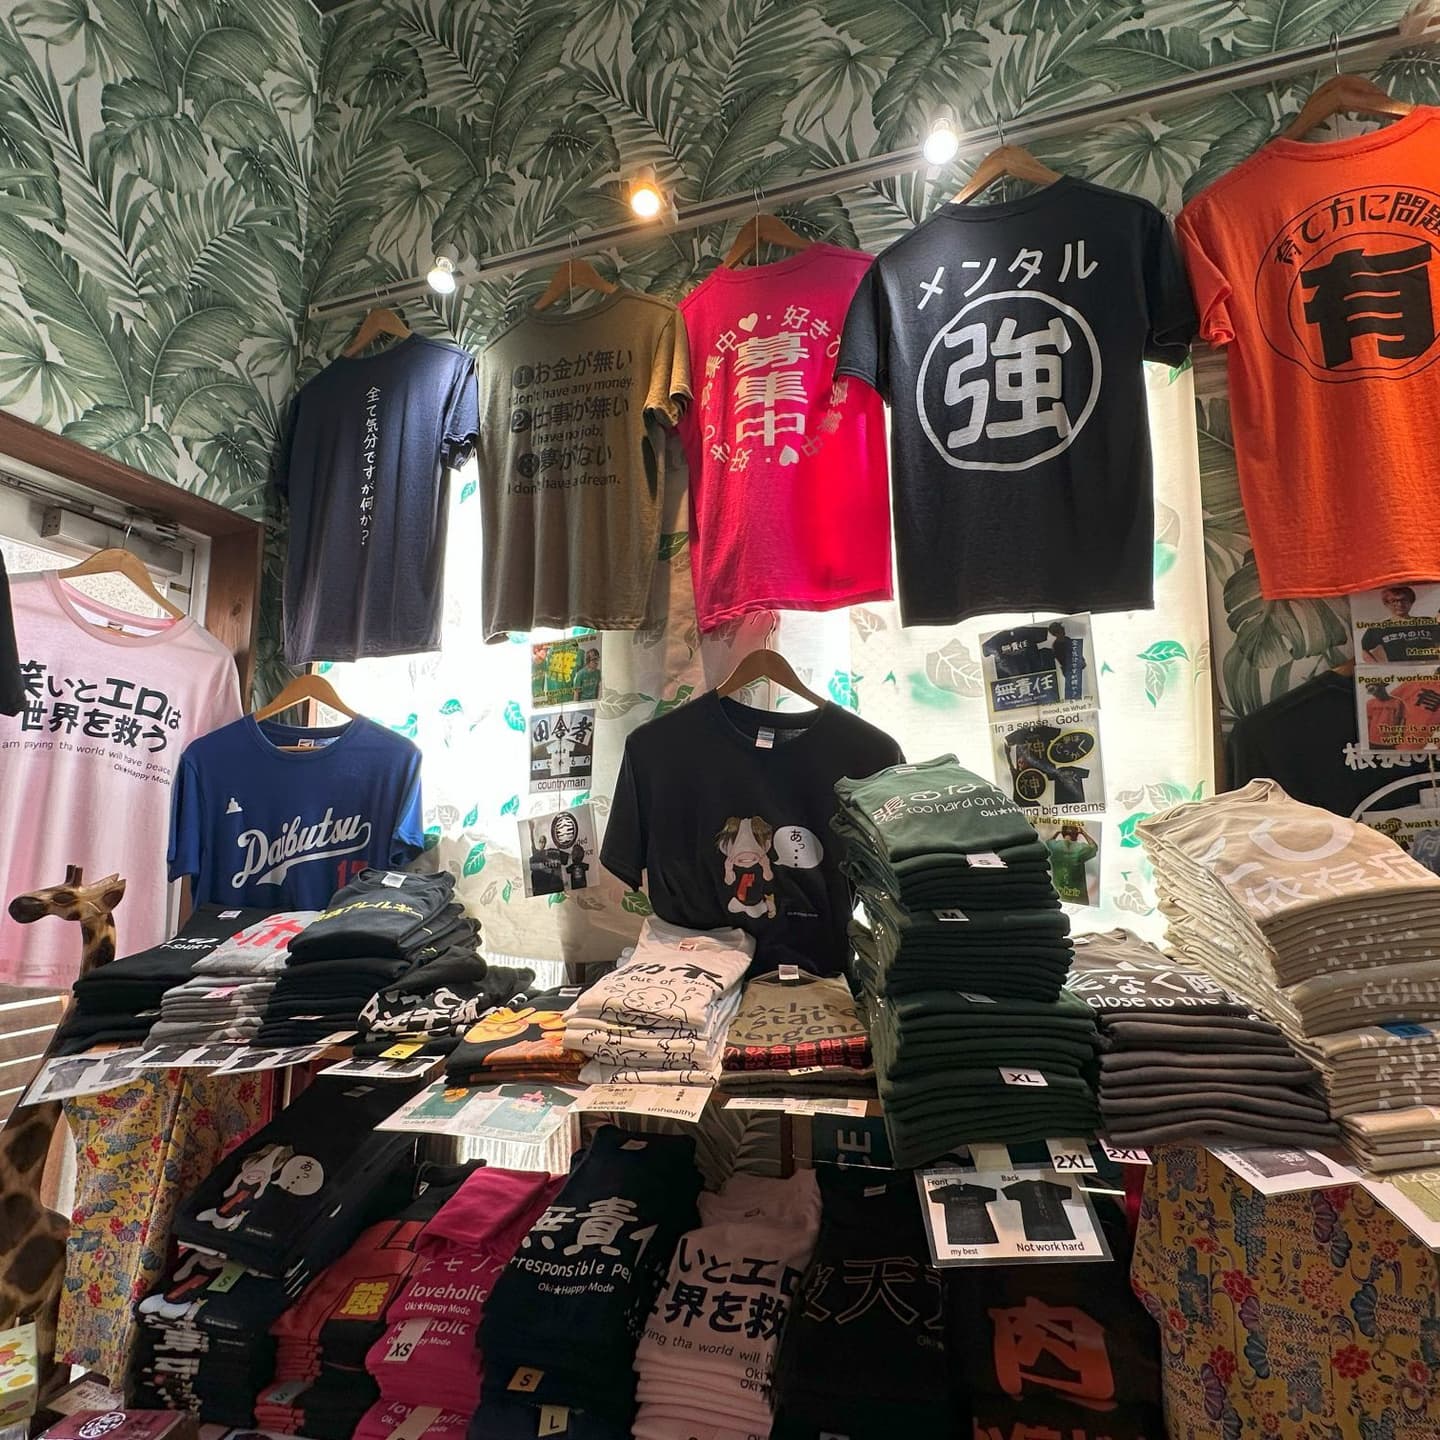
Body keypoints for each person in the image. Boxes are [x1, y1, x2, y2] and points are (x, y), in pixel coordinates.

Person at [1361, 586, 1440, 662]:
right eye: (1394, 601)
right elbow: (1365, 651)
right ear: (1387, 604)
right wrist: (1379, 669)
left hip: (1428, 670)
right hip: (1399, 671)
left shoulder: (1427, 622)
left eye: (1404, 600)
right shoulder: (1379, 628)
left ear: (1411, 602)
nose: (1400, 604)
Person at [1044, 823, 1097, 904]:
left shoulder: (1054, 846)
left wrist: (1057, 833)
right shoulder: (1080, 849)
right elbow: (1094, 847)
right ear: (1076, 835)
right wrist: (1084, 833)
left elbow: (1046, 844)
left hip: (1059, 896)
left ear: (1063, 833)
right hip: (1078, 897)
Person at [1046, 621, 1088, 701]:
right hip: (1070, 670)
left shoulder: (1067, 639)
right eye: (1061, 629)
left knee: (1083, 690)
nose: (1063, 629)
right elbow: (1063, 660)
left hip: (1077, 667)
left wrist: (1082, 660)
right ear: (1057, 633)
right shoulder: (1056, 646)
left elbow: (1076, 650)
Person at [1365, 682, 1407, 749]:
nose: (1374, 694)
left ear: (1382, 688)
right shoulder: (1370, 703)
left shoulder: (1398, 702)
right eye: (1371, 692)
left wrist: (1400, 735)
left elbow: (1403, 720)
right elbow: (1368, 720)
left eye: (1375, 690)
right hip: (1373, 740)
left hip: (1390, 740)